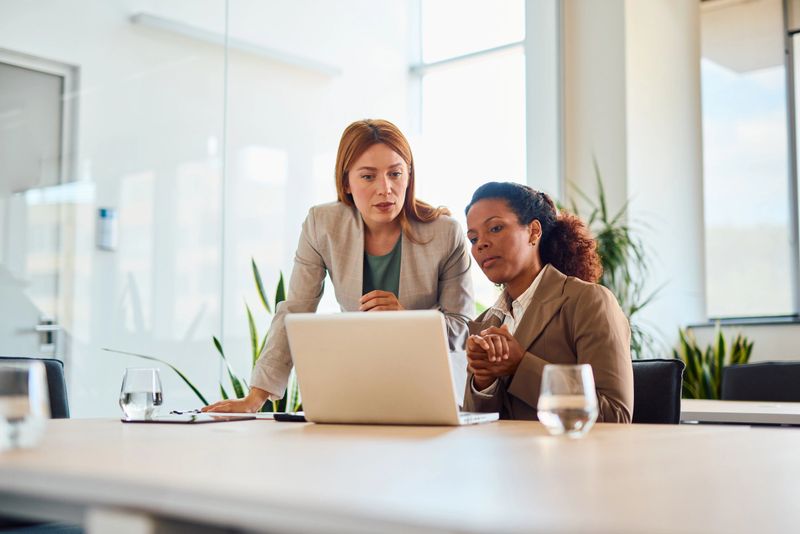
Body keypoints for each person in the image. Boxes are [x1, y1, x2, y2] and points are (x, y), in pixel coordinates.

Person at [204, 119, 474, 412]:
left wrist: (407, 319)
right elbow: (294, 310)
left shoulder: (445, 233)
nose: (386, 189)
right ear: (346, 182)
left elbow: (463, 327)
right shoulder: (323, 225)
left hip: (430, 387)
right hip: (358, 384)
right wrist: (253, 399)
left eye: (395, 173)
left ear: (409, 175)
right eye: (368, 177)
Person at [462, 182, 632, 422]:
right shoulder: (483, 323)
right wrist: (484, 382)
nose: (481, 244)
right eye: (473, 238)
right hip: (504, 458)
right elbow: (477, 426)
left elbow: (615, 415)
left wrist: (520, 366)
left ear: (533, 231)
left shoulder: (588, 301)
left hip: (568, 458)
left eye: (496, 228)